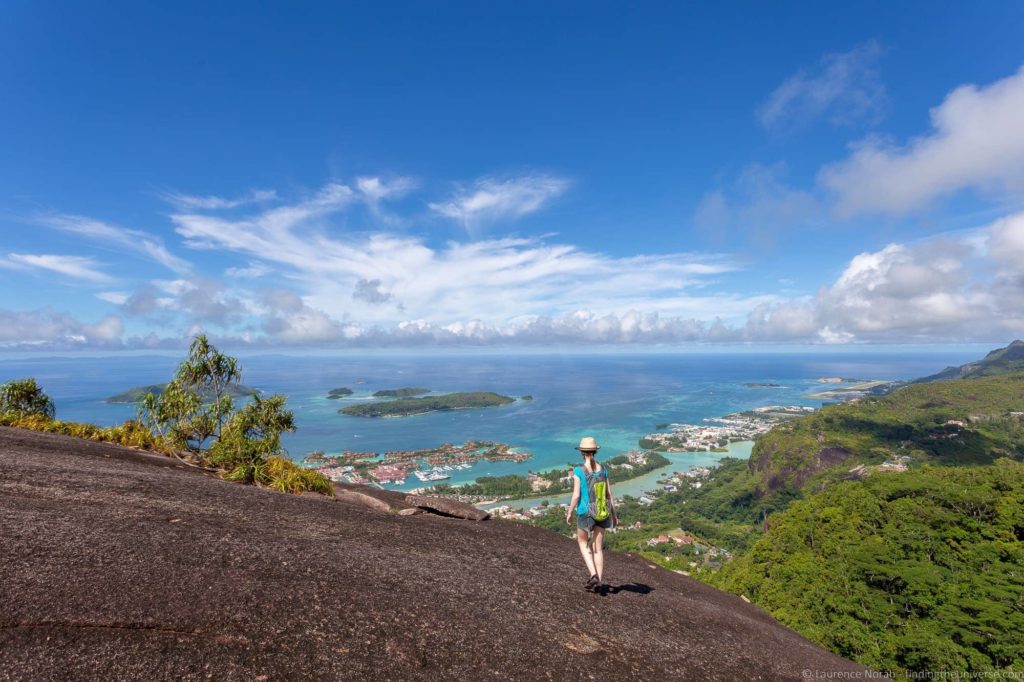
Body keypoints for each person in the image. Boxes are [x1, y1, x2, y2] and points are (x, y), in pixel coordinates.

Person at [565, 436, 617, 591]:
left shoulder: (579, 470)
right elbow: (609, 494)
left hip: (585, 512)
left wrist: (569, 512)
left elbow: (576, 495)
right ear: (595, 451)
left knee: (582, 543)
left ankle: (593, 574)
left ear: (582, 452)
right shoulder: (604, 469)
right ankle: (599, 582)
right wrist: (614, 515)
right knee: (598, 548)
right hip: (602, 512)